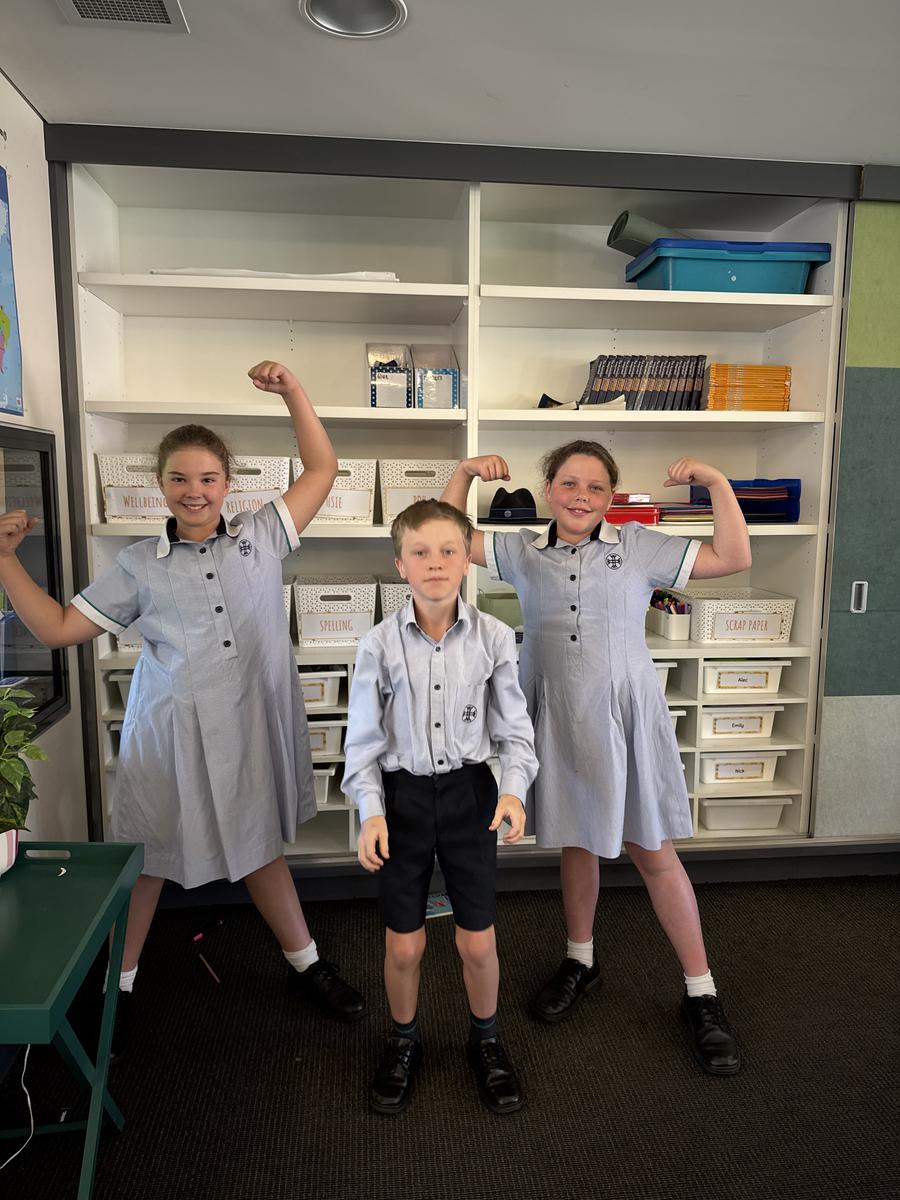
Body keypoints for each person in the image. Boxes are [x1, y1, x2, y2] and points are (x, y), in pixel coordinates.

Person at [0, 360, 365, 1052]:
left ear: (228, 484)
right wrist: (5, 560)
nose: (194, 491)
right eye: (179, 479)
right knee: (151, 855)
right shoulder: (139, 564)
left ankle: (306, 965)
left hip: (250, 723)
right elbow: (57, 629)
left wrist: (293, 391)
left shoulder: (262, 534)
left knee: (260, 846)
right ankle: (119, 986)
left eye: (207, 478)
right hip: (171, 731)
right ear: (160, 485)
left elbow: (322, 468)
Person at [442, 441, 751, 1075]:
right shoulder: (522, 550)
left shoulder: (638, 546)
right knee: (576, 840)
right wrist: (465, 473)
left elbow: (733, 557)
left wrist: (716, 481)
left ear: (610, 497)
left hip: (623, 717)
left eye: (595, 488)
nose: (580, 497)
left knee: (653, 851)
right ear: (548, 489)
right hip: (555, 714)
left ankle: (701, 992)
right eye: (568, 484)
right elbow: (444, 540)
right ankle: (580, 959)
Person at [342, 499, 538, 1114]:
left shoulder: (494, 638)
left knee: (477, 942)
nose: (435, 562)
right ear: (400, 565)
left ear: (466, 560)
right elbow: (362, 741)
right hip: (401, 801)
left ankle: (487, 1040)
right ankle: (404, 1041)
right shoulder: (377, 645)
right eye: (420, 552)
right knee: (404, 945)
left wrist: (513, 790)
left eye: (449, 550)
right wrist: (371, 810)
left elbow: (515, 732)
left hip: (468, 796)